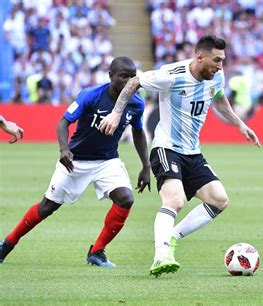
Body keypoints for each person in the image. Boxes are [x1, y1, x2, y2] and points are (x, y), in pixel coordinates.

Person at [97, 35, 260, 276]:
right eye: (216, 60)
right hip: (166, 148)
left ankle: (172, 235)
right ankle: (161, 255)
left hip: (193, 152)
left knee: (219, 199)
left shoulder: (216, 75)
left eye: (223, 61)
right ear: (199, 57)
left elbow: (219, 97)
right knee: (174, 201)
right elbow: (134, 83)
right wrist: (116, 114)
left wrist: (240, 124)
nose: (220, 66)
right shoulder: (171, 75)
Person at [0, 57, 151, 267]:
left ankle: (97, 252)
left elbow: (138, 132)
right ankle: (7, 243)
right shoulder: (91, 95)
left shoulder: (136, 103)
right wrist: (64, 149)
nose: (128, 82)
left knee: (126, 198)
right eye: (123, 76)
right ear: (111, 76)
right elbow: (63, 122)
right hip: (76, 160)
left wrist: (146, 166)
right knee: (47, 207)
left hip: (107, 161)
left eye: (132, 77)